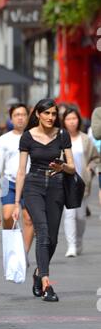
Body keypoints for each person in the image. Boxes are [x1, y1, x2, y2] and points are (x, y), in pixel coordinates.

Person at [13, 99, 75, 302]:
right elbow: (21, 171)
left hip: (56, 186)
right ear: (38, 114)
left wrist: (62, 167)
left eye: (54, 114)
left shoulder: (62, 135)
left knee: (54, 238)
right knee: (43, 232)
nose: (50, 117)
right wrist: (16, 202)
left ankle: (39, 271)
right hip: (34, 186)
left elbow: (72, 167)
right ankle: (47, 284)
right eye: (46, 113)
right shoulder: (27, 137)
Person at [0, 102, 34, 258]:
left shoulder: (33, 136)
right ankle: (12, 246)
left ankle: (24, 253)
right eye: (17, 115)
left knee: (29, 219)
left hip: (29, 183)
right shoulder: (4, 139)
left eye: (23, 115)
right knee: (8, 216)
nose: (20, 118)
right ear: (11, 118)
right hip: (8, 182)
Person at [62, 107, 99, 257]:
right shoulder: (60, 138)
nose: (72, 122)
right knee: (69, 214)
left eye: (74, 119)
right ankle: (71, 245)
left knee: (80, 217)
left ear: (79, 120)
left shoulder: (85, 139)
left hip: (82, 182)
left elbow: (96, 158)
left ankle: (78, 241)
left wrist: (90, 169)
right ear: (64, 121)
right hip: (65, 182)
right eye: (68, 119)